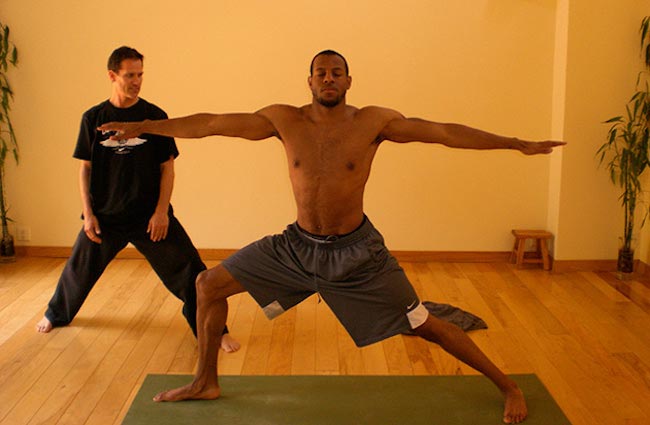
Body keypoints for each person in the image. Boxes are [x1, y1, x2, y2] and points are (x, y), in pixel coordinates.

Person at [100, 49, 565, 424]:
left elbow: (442, 132)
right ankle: (205, 380)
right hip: (296, 247)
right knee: (208, 285)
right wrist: (144, 126)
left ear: (348, 81)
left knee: (424, 324)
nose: (328, 79)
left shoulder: (373, 122)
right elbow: (212, 123)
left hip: (358, 253)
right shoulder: (284, 119)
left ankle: (507, 385)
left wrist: (515, 143)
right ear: (309, 81)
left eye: (336, 73)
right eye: (320, 73)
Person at [37, 46, 239, 353]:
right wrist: (88, 214)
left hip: (149, 216)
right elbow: (85, 170)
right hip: (106, 216)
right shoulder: (93, 118)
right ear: (112, 75)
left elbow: (167, 168)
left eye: (140, 74)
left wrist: (161, 213)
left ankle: (215, 331)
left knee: (190, 270)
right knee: (78, 269)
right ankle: (56, 315)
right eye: (130, 75)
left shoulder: (155, 117)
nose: (137, 81)